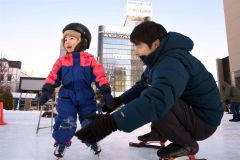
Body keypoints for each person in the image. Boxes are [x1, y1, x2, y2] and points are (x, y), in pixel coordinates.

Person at [75, 21, 223, 159]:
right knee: (148, 92)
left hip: (203, 122)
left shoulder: (172, 62)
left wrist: (110, 123)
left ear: (155, 44)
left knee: (154, 98)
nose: (136, 52)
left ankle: (187, 144)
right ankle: (159, 132)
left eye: (139, 46)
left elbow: (157, 100)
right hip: (191, 113)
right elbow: (140, 86)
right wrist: (117, 102)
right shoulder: (158, 62)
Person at [39, 22, 114, 158]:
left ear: (82, 41)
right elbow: (53, 76)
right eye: (65, 39)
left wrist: (105, 91)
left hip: (86, 96)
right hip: (67, 96)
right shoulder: (61, 61)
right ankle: (61, 142)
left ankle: (92, 141)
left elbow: (99, 75)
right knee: (67, 120)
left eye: (72, 38)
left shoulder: (90, 59)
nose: (67, 41)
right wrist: (47, 90)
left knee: (88, 121)